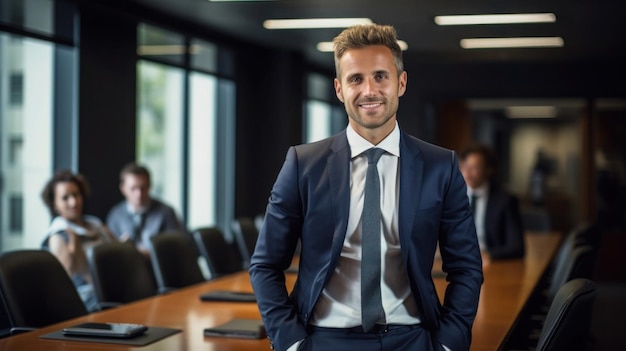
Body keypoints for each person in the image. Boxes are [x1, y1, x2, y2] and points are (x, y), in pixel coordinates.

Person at [249, 24, 483, 351]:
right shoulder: (303, 164)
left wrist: (448, 343)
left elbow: (466, 267)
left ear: (400, 82)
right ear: (339, 89)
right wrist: (290, 342)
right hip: (323, 339)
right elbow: (265, 264)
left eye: (380, 76)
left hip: (412, 339)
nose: (369, 90)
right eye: (356, 79)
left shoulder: (440, 166)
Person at [41, 170, 118, 312]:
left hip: (114, 289)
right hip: (89, 303)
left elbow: (117, 250)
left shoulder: (95, 223)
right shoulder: (58, 234)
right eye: (65, 198)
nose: (73, 202)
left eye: (76, 195)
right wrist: (73, 245)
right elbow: (63, 283)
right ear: (54, 204)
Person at [459, 144, 525, 260]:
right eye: (464, 167)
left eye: (474, 168)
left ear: (488, 170)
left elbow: (517, 247)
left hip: (489, 265)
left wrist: (489, 255)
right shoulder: (452, 197)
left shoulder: (505, 200)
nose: (467, 174)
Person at [106, 162, 183, 257]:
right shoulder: (116, 215)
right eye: (133, 188)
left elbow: (175, 248)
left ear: (150, 185)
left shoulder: (166, 212)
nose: (139, 194)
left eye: (143, 188)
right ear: (123, 188)